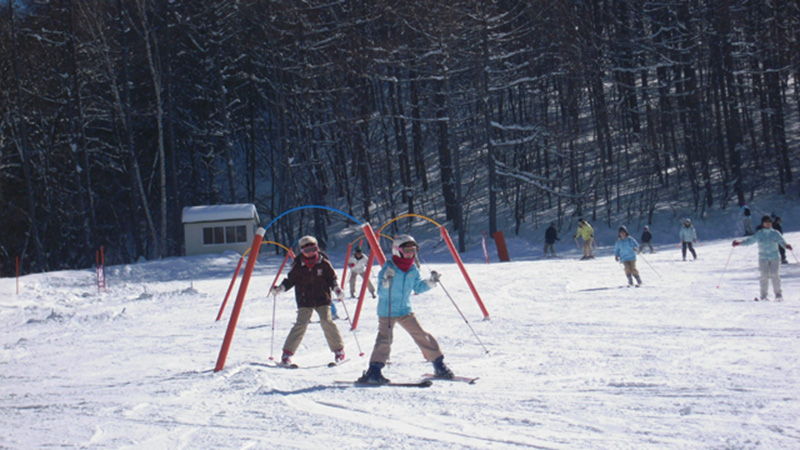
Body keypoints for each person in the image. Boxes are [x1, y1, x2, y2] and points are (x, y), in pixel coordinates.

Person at [358, 235, 453, 384]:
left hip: (405, 310)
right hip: (387, 311)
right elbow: (381, 294)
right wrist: (386, 282)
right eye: (407, 250)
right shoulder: (389, 268)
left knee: (421, 335)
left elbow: (418, 288)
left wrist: (431, 282)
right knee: (385, 339)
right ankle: (374, 371)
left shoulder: (412, 268)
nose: (411, 253)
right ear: (398, 251)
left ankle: (439, 365)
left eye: (413, 250)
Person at [269, 236, 346, 366]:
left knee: (326, 321)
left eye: (313, 249)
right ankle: (287, 353)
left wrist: (337, 288)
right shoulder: (298, 266)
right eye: (307, 250)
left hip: (322, 298)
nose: (310, 253)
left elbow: (332, 278)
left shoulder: (323, 263)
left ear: (317, 249)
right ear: (302, 251)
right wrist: (281, 288)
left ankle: (338, 350)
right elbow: (290, 280)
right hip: (305, 299)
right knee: (301, 323)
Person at [733, 215, 792, 301]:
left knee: (775, 275)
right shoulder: (759, 234)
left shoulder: (775, 233)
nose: (768, 224)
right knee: (764, 276)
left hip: (774, 257)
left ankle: (778, 295)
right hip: (763, 258)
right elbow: (749, 241)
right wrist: (739, 243)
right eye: (766, 222)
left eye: (769, 222)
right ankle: (764, 296)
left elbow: (781, 241)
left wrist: (786, 246)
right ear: (762, 223)